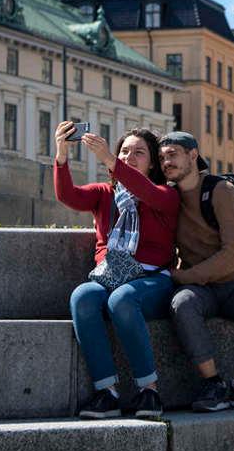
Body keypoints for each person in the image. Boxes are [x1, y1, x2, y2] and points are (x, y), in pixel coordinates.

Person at [55, 123, 179, 420]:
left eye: (139, 153)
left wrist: (110, 159)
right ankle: (106, 393)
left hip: (151, 280)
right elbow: (68, 196)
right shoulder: (105, 193)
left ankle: (149, 391)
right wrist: (61, 154)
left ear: (152, 164)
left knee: (122, 300)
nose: (129, 157)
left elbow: (145, 192)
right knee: (83, 297)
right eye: (125, 151)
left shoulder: (165, 194)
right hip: (110, 275)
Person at [160, 132, 234, 412]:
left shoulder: (220, 190)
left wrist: (182, 277)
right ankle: (212, 382)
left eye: (173, 154)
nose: (167, 162)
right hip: (202, 291)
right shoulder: (168, 197)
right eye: (163, 157)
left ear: (193, 155)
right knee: (182, 303)